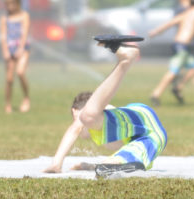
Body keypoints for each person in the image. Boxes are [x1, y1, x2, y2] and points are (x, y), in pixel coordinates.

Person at [43, 42, 167, 175]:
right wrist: (91, 166)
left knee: (87, 117)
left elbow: (76, 127)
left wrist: (56, 163)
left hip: (143, 120)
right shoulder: (107, 132)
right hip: (148, 136)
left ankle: (125, 60)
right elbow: (123, 156)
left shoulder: (86, 118)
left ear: (74, 111)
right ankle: (125, 60)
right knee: (116, 164)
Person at [148, 0, 194, 105]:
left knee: (193, 68)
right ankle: (156, 94)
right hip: (181, 46)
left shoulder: (186, 13)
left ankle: (177, 88)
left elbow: (170, 23)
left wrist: (156, 31)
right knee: (173, 71)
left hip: (180, 46)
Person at [0, 0, 31, 114]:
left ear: (17, 3)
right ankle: (8, 103)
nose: (9, 7)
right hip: (10, 48)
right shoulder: (5, 18)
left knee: (20, 72)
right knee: (9, 79)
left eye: (11, 4)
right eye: (7, 4)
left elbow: (25, 33)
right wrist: (5, 51)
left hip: (23, 48)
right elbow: (3, 35)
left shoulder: (24, 15)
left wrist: (21, 48)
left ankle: (26, 98)